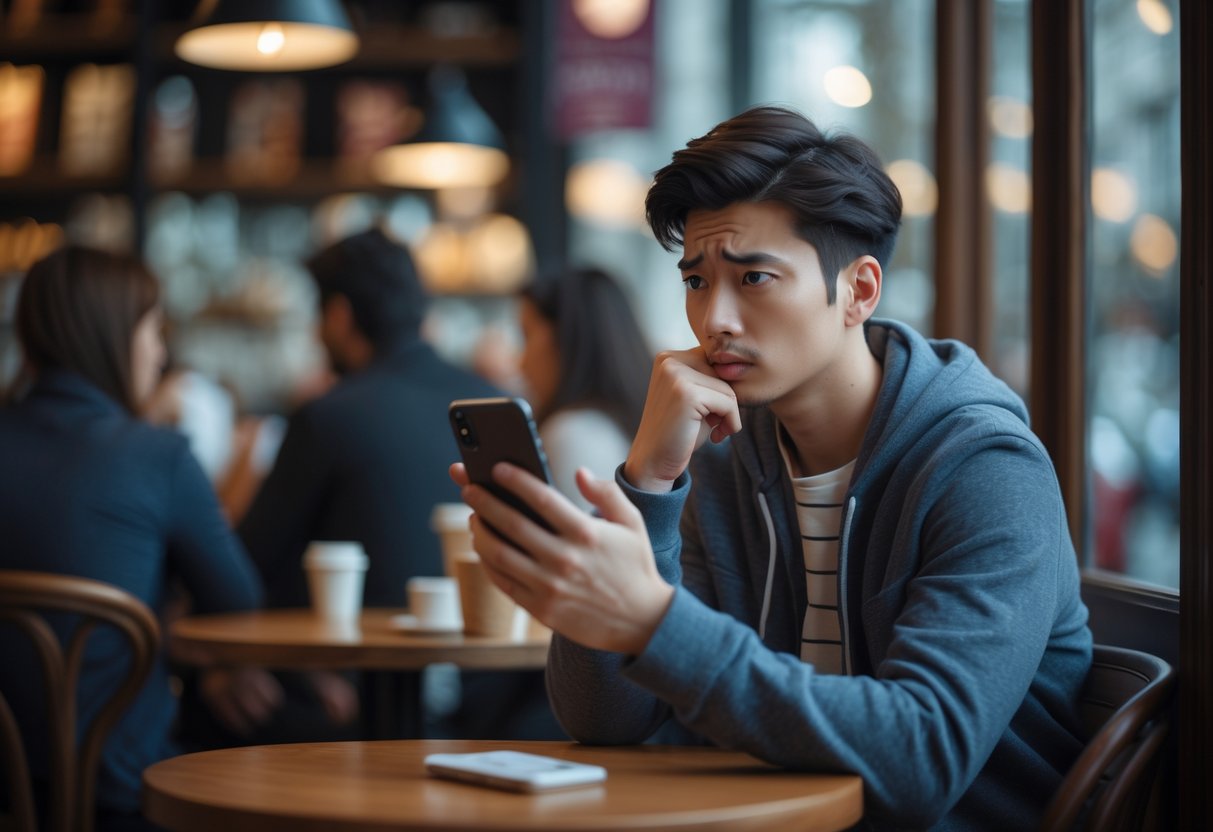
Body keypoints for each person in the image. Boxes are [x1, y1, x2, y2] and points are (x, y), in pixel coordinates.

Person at [450, 106, 1093, 830]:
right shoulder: (722, 455)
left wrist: (653, 622)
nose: (713, 317)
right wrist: (649, 480)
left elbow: (921, 757)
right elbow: (605, 722)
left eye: (753, 277)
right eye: (696, 281)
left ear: (858, 290)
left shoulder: (983, 467)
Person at [189, 226, 555, 743]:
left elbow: (247, 567)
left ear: (339, 317)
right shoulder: (490, 402)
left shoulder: (328, 417)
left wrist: (226, 664)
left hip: (347, 705)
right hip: (496, 701)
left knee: (208, 702)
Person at [0, 245, 263, 829]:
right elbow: (238, 605)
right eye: (155, 329)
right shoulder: (156, 455)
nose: (162, 352)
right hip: (120, 793)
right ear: (116, 336)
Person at [517, 267, 651, 509]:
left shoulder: (573, 433)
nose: (521, 362)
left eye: (527, 336)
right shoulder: (628, 425)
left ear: (566, 338)